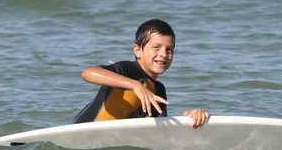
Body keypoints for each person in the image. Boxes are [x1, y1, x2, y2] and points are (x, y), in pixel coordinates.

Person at [73, 19, 210, 128]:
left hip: (108, 145)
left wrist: (189, 119)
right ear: (138, 50)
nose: (163, 54)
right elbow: (88, 73)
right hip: (80, 134)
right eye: (156, 48)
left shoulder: (158, 90)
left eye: (169, 50)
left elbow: (163, 130)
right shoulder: (128, 70)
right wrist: (135, 85)